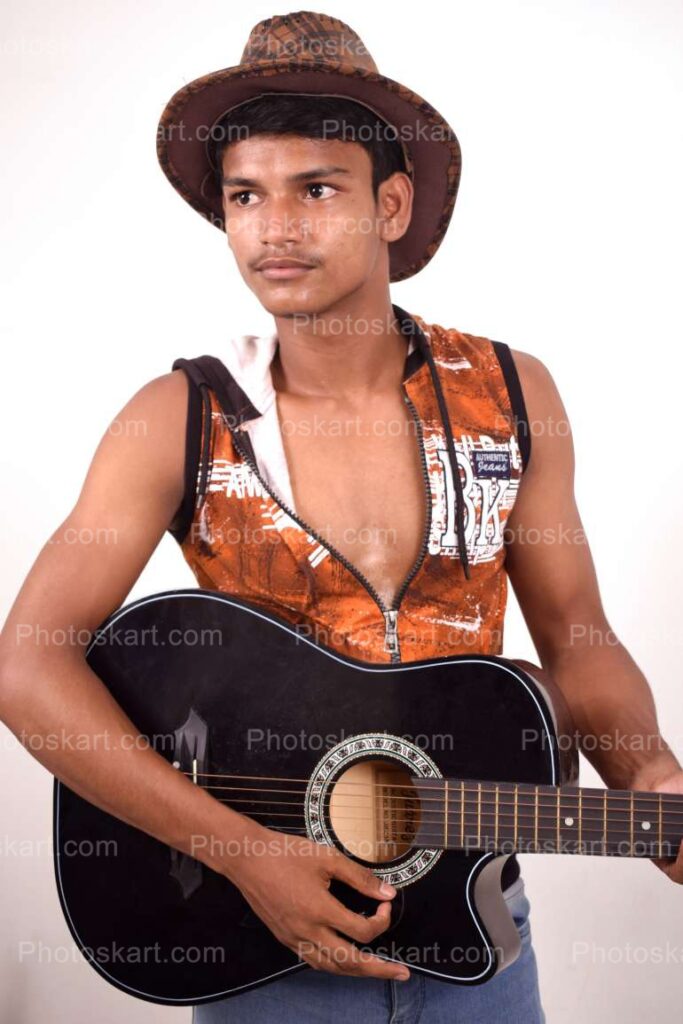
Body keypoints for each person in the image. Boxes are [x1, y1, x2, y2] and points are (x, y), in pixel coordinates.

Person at [1, 11, 682, 1024]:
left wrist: (648, 773)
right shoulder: (178, 418)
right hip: (252, 946)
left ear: (390, 204)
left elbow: (576, 637)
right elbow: (27, 665)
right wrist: (244, 851)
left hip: (474, 932)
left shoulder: (508, 392)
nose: (274, 229)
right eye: (245, 196)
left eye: (315, 189)